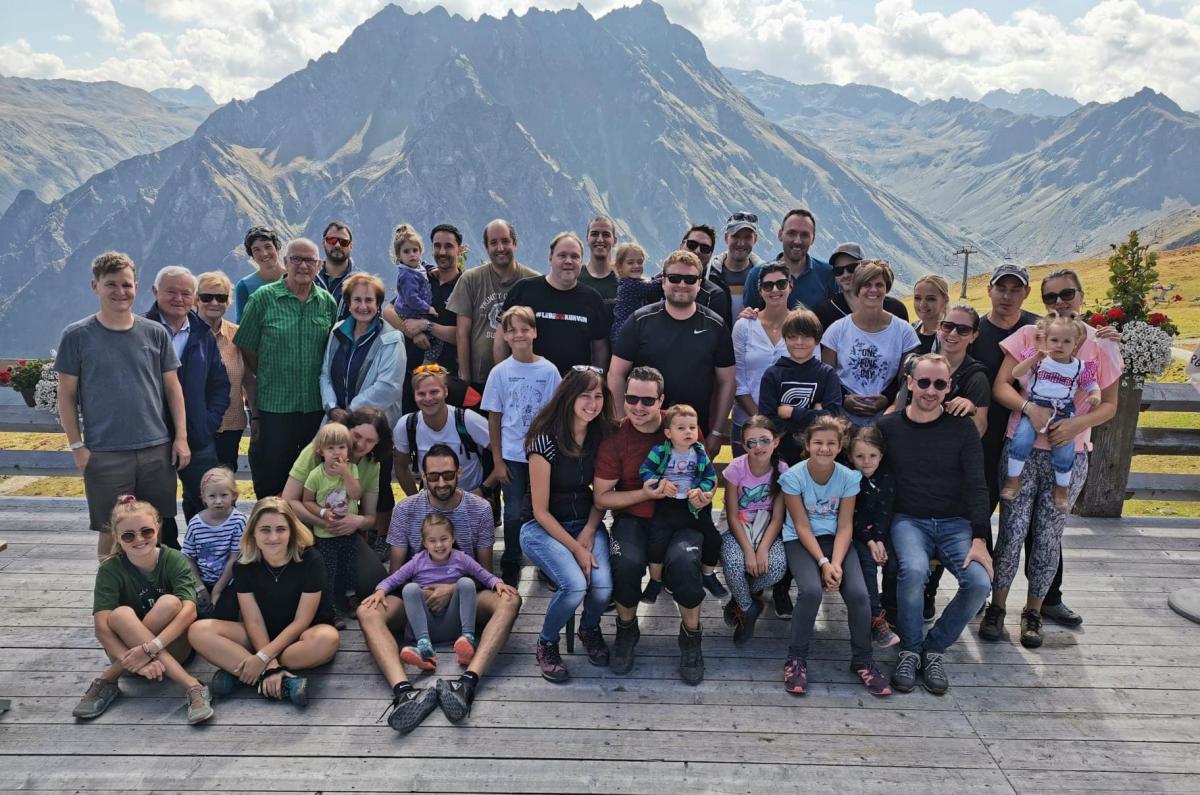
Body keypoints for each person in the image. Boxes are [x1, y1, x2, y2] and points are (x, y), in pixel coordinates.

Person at [986, 269, 1122, 642]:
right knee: (1011, 531)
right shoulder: (1030, 335)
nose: (1060, 302)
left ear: (1081, 295)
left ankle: (1033, 611)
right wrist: (1029, 407)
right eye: (1051, 297)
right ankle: (997, 606)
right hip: (1023, 447)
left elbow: (1109, 405)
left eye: (1067, 294)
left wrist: (1077, 424)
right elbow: (1002, 386)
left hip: (1069, 453)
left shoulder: (1101, 345)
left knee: (1049, 535)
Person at [360, 444, 521, 735]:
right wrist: (415, 593)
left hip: (464, 597)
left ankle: (467, 683)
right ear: (423, 476)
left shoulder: (479, 508)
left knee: (510, 600)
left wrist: (452, 589)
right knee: (366, 611)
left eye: (448, 474)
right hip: (416, 599)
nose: (441, 482)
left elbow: (484, 573)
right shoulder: (406, 509)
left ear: (459, 472)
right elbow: (396, 573)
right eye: (433, 476)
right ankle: (404, 691)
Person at [56, 251, 189, 558]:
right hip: (104, 451)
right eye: (111, 284)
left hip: (156, 448)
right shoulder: (76, 336)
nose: (120, 291)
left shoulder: (155, 333)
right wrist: (77, 446)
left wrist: (180, 438)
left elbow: (173, 389)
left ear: (136, 287)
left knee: (155, 526)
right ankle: (109, 587)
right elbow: (66, 395)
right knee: (111, 529)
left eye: (126, 285)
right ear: (95, 286)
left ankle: (153, 586)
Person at [879, 354, 992, 696]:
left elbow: (977, 485)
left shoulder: (962, 428)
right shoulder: (888, 428)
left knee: (979, 582)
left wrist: (980, 538)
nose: (931, 390)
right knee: (913, 570)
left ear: (949, 387)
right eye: (924, 382)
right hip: (908, 520)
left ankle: (934, 648)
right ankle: (910, 649)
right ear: (910, 383)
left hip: (955, 522)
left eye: (939, 384)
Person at [592, 366, 708, 683]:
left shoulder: (682, 425)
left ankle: (691, 637)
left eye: (647, 400)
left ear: (661, 401)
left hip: (680, 517)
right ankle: (627, 630)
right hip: (635, 517)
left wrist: (704, 495)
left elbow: (705, 476)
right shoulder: (615, 438)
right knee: (626, 563)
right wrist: (643, 493)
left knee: (684, 563)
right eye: (631, 399)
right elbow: (601, 498)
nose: (638, 407)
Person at [188, 497, 340, 708]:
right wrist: (269, 662)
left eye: (281, 529)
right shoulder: (244, 565)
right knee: (198, 631)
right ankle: (277, 680)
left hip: (301, 635)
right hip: (259, 635)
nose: (273, 537)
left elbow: (302, 620)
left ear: (291, 531)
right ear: (253, 533)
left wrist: (262, 658)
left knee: (327, 639)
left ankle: (243, 671)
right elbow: (253, 620)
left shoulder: (310, 559)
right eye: (265, 530)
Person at [72, 496, 212, 724]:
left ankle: (107, 679)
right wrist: (136, 658)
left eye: (146, 531)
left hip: (172, 647)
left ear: (157, 527)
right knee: (120, 614)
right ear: (116, 537)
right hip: (125, 656)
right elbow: (102, 628)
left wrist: (149, 648)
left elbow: (190, 611)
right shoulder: (110, 569)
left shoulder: (173, 559)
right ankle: (192, 685)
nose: (139, 539)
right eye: (128, 535)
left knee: (170, 602)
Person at [778, 417, 890, 697]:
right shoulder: (793, 477)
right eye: (818, 442)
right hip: (801, 541)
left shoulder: (848, 477)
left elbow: (845, 525)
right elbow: (801, 525)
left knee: (859, 595)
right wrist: (823, 563)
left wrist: (836, 563)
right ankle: (796, 659)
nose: (824, 448)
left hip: (837, 541)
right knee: (811, 591)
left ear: (840, 447)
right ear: (807, 444)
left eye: (831, 443)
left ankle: (862, 659)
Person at [519, 367, 616, 683]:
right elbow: (540, 511)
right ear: (569, 397)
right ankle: (547, 642)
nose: (593, 403)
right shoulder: (544, 440)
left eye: (598, 396)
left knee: (603, 587)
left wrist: (588, 531)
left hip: (586, 522)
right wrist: (576, 548)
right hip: (542, 528)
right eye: (585, 395)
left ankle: (589, 628)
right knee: (574, 586)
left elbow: (602, 495)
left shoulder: (601, 437)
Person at [236, 237, 337, 499]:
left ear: (318, 266)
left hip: (314, 407)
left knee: (313, 479)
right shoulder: (262, 299)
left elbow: (331, 351)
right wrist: (269, 371)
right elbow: (246, 345)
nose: (303, 266)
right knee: (272, 476)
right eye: (296, 259)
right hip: (275, 406)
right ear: (286, 262)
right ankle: (271, 523)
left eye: (310, 260)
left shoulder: (326, 302)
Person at [609, 249, 735, 456]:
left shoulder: (715, 326)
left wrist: (716, 432)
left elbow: (727, 381)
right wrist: (622, 423)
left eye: (690, 279)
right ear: (663, 281)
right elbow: (616, 373)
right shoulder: (639, 321)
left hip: (693, 434)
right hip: (643, 433)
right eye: (675, 278)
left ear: (699, 284)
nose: (682, 284)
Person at [363, 513, 517, 671]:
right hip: (425, 625)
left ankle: (467, 640)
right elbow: (394, 579)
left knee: (466, 583)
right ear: (425, 542)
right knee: (410, 589)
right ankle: (424, 648)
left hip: (453, 623)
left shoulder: (461, 558)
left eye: (444, 539)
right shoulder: (417, 561)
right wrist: (380, 591)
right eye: (432, 540)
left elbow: (482, 574)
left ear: (453, 538)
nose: (439, 545)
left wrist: (497, 583)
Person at [482, 306, 562, 585]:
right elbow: (494, 417)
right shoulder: (500, 372)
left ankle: (546, 561)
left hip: (542, 454)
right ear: (504, 335)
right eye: (512, 330)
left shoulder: (549, 371)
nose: (519, 335)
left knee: (544, 509)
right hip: (512, 455)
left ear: (535, 332)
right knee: (514, 510)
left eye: (524, 329)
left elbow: (556, 414)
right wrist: (497, 460)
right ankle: (512, 558)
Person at [145, 265, 230, 525]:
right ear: (155, 292)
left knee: (213, 504)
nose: (179, 299)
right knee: (155, 509)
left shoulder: (202, 334)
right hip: (151, 436)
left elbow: (220, 384)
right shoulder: (139, 330)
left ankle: (209, 549)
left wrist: (207, 423)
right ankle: (166, 550)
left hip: (197, 437)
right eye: (171, 291)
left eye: (185, 293)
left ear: (193, 298)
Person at [282, 407, 389, 599]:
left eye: (369, 440)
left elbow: (370, 517)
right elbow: (289, 500)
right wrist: (323, 522)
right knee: (307, 576)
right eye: (357, 436)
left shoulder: (372, 464)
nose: (360, 444)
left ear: (378, 442)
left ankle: (339, 593)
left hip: (344, 532)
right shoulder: (318, 450)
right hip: (305, 525)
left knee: (372, 580)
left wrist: (357, 521)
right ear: (348, 429)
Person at [1001, 312, 1102, 510]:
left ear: (1075, 345)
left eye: (1066, 341)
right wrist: (1034, 358)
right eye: (1054, 340)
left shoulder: (1079, 367)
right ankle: (1013, 480)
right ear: (1046, 340)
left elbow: (1092, 385)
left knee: (1064, 451)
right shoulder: (1040, 360)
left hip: (1063, 411)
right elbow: (1016, 373)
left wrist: (1095, 395)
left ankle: (1062, 488)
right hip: (1036, 406)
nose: (1059, 345)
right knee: (1021, 440)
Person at [970, 263, 1040, 515]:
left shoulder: (1039, 329)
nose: (1007, 296)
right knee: (983, 503)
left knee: (1026, 513)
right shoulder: (975, 332)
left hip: (1030, 433)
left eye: (1015, 290)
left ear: (1027, 292)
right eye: (1001, 288)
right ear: (989, 290)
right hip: (987, 431)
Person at [638, 404, 723, 601]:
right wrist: (660, 482)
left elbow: (710, 477)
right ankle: (655, 581)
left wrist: (701, 490)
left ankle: (708, 574)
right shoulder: (660, 451)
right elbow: (645, 471)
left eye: (692, 427)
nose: (688, 432)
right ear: (669, 433)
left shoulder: (700, 453)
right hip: (667, 505)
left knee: (714, 539)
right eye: (681, 428)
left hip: (693, 507)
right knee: (656, 542)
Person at [821, 260, 920, 426]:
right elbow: (826, 376)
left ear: (887, 288)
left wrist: (887, 398)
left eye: (879, 285)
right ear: (857, 289)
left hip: (887, 420)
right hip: (842, 420)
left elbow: (905, 380)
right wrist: (844, 398)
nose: (873, 290)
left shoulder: (904, 332)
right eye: (867, 284)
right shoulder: (837, 330)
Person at [497, 232, 610, 373]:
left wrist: (597, 380)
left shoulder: (593, 299)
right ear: (550, 258)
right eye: (562, 255)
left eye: (575, 256)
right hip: (527, 380)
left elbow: (600, 350)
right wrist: (503, 376)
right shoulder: (524, 290)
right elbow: (501, 339)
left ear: (581, 261)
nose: (568, 261)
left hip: (575, 384)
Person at [446, 219, 537, 393]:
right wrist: (465, 379)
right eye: (494, 243)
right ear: (486, 247)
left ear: (515, 243)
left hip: (523, 377)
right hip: (480, 380)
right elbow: (462, 333)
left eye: (505, 241)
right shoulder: (471, 280)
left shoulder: (533, 281)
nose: (500, 248)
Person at [719, 415, 788, 645]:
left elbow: (777, 517)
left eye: (764, 440)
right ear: (743, 445)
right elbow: (731, 515)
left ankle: (740, 597)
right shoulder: (736, 469)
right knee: (734, 563)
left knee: (776, 567)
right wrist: (749, 551)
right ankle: (749, 608)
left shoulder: (782, 470)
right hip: (738, 525)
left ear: (775, 441)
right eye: (751, 442)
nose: (758, 447)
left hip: (766, 526)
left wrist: (763, 549)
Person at [383, 223, 463, 413]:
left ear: (459, 249)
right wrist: (413, 333)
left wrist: (426, 325)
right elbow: (388, 311)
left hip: (446, 381)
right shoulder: (421, 277)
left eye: (448, 246)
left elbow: (461, 336)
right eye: (437, 246)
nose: (442, 251)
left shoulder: (464, 285)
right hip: (410, 377)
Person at [320, 271, 407, 428]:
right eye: (357, 300)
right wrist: (331, 407)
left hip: (374, 427)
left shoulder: (392, 339)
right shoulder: (337, 332)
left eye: (369, 300)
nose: (363, 306)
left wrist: (350, 412)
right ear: (348, 303)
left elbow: (388, 387)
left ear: (378, 304)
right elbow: (325, 375)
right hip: (337, 424)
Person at [757, 306, 843, 465]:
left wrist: (792, 412)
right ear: (785, 339)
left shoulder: (827, 374)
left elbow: (832, 416)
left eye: (806, 337)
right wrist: (815, 415)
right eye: (793, 337)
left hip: (819, 457)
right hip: (780, 458)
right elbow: (767, 420)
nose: (799, 342)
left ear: (817, 340)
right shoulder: (772, 374)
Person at [890, 304, 991, 438]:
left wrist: (972, 410)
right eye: (948, 326)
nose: (953, 333)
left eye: (963, 330)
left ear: (974, 336)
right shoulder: (918, 365)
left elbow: (980, 428)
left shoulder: (976, 378)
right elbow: (898, 405)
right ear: (939, 328)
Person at [394, 365, 491, 496]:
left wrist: (484, 489)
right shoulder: (406, 425)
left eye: (434, 392)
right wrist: (416, 500)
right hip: (432, 500)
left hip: (472, 498)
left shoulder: (467, 420)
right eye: (421, 394)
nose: (428, 398)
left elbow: (502, 453)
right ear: (414, 396)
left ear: (445, 391)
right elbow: (400, 466)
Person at [301, 423, 364, 626]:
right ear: (321, 451)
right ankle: (331, 607)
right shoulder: (316, 474)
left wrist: (345, 473)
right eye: (331, 448)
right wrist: (322, 513)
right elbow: (307, 500)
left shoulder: (352, 469)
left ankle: (351, 598)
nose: (337, 453)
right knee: (329, 571)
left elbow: (356, 494)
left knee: (349, 567)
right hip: (326, 534)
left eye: (342, 447)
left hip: (348, 531)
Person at [847, 426, 899, 648]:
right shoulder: (848, 478)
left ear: (881, 455)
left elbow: (885, 512)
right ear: (851, 457)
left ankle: (891, 610)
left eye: (872, 455)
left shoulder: (887, 478)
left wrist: (879, 540)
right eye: (860, 456)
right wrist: (870, 541)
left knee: (895, 562)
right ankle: (874, 617)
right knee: (867, 563)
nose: (867, 461)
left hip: (879, 531)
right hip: (854, 533)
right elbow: (852, 517)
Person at [196, 270, 252, 472]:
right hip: (195, 427)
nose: (214, 302)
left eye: (221, 297)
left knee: (225, 483)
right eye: (206, 297)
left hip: (230, 426)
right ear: (195, 299)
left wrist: (257, 419)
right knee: (195, 484)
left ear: (228, 302)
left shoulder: (238, 335)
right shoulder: (184, 334)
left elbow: (249, 380)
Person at [732, 262, 790, 455]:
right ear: (760, 291)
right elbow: (738, 380)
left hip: (790, 427)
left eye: (781, 284)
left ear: (790, 286)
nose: (775, 290)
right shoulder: (744, 326)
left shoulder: (801, 325)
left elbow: (812, 376)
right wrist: (762, 421)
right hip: (747, 425)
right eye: (768, 285)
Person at [182, 467, 246, 620]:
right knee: (193, 612)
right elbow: (188, 557)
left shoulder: (239, 521)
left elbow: (235, 558)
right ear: (204, 497)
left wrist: (217, 589)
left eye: (224, 495)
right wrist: (200, 588)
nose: (218, 501)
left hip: (229, 580)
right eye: (212, 496)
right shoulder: (196, 524)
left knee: (224, 612)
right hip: (200, 580)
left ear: (234, 495)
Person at [743, 209, 834, 312]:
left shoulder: (827, 274)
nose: (797, 241)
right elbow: (750, 316)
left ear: (813, 239)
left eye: (804, 235)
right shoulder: (757, 275)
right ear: (780, 235)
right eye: (791, 233)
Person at [814, 243, 909, 331]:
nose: (845, 274)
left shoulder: (895, 308)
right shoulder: (825, 312)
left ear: (865, 267)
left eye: (852, 268)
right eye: (838, 270)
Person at [389, 224, 442, 364]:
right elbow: (412, 299)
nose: (412, 254)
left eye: (415, 250)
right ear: (399, 255)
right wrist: (427, 309)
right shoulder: (407, 276)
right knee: (437, 339)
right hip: (409, 312)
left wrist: (432, 268)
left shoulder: (416, 267)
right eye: (406, 252)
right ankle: (428, 361)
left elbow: (423, 265)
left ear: (420, 251)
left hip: (413, 310)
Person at [709, 211, 765, 319]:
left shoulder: (765, 275)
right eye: (735, 236)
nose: (741, 243)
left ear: (755, 239)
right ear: (726, 238)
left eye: (747, 237)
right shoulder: (709, 273)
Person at [234, 226, 283, 321]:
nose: (264, 253)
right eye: (256, 250)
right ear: (252, 256)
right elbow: (242, 323)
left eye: (268, 247)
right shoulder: (244, 286)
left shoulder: (296, 278)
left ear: (277, 248)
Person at [610, 242, 650, 342]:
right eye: (630, 263)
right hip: (625, 336)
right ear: (620, 266)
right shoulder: (630, 285)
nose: (636, 266)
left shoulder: (626, 283)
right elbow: (654, 286)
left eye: (640, 262)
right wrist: (667, 275)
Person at [578, 215, 619, 312]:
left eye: (606, 235)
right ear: (587, 239)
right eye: (594, 234)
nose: (600, 239)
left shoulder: (624, 280)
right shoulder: (575, 278)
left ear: (614, 241)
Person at [316, 221, 355, 318]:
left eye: (343, 242)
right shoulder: (310, 278)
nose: (337, 245)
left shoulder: (361, 281)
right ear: (323, 243)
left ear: (350, 246)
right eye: (332, 240)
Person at [910, 274, 950, 354]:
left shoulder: (952, 336)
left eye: (930, 299)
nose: (922, 305)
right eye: (917, 298)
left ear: (945, 300)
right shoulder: (910, 330)